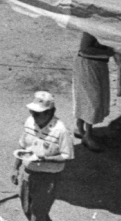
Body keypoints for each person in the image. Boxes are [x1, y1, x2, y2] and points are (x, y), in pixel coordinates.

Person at [14, 91, 73, 221]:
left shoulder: (61, 130)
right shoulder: (29, 122)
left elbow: (66, 156)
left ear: (49, 113)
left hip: (48, 177)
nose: (33, 115)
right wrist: (15, 168)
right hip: (28, 172)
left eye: (37, 113)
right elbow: (22, 146)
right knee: (27, 209)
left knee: (37, 213)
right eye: (32, 112)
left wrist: (46, 159)